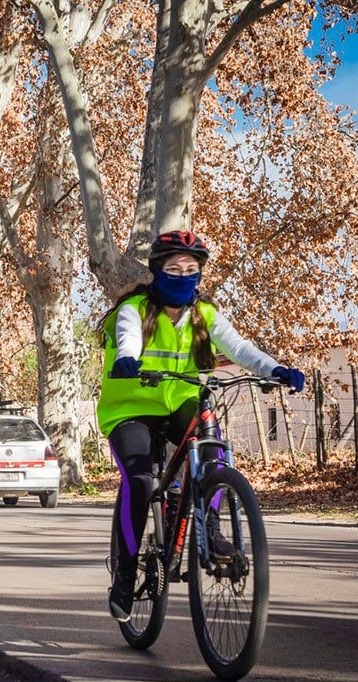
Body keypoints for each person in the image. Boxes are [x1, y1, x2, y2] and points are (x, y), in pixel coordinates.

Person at [97, 230, 305, 623]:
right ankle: (125, 573)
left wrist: (275, 368)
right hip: (130, 408)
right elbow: (127, 339)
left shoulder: (204, 314)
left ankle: (208, 528)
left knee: (213, 452)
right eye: (174, 268)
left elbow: (239, 347)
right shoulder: (135, 308)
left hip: (182, 402)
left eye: (191, 269)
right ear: (157, 271)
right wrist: (127, 359)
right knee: (140, 481)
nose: (183, 275)